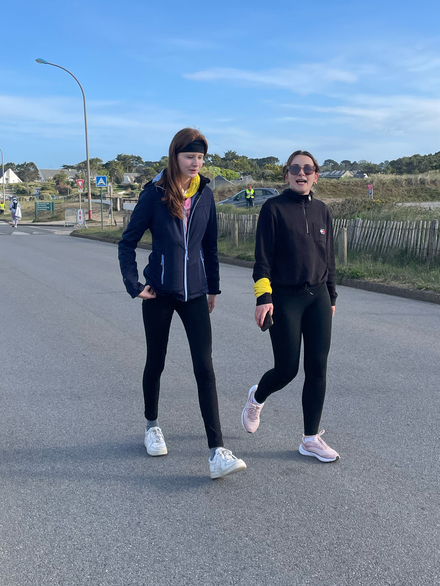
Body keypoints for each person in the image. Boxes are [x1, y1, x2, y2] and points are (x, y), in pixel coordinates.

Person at [118, 127, 246, 480]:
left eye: (200, 157)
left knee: (204, 367)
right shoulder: (154, 194)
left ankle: (217, 451)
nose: (196, 163)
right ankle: (151, 426)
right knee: (156, 361)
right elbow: (127, 243)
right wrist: (134, 285)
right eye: (190, 156)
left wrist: (213, 288)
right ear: (175, 155)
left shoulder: (205, 193)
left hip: (195, 293)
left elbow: (210, 247)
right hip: (159, 292)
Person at [241, 151, 339, 462]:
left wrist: (332, 297)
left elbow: (329, 258)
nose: (301, 173)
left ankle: (310, 439)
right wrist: (263, 298)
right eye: (295, 168)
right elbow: (262, 259)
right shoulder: (273, 209)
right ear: (286, 175)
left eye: (308, 169)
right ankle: (257, 397)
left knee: (318, 368)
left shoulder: (323, 211)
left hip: (318, 296)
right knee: (287, 369)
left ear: (316, 176)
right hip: (284, 297)